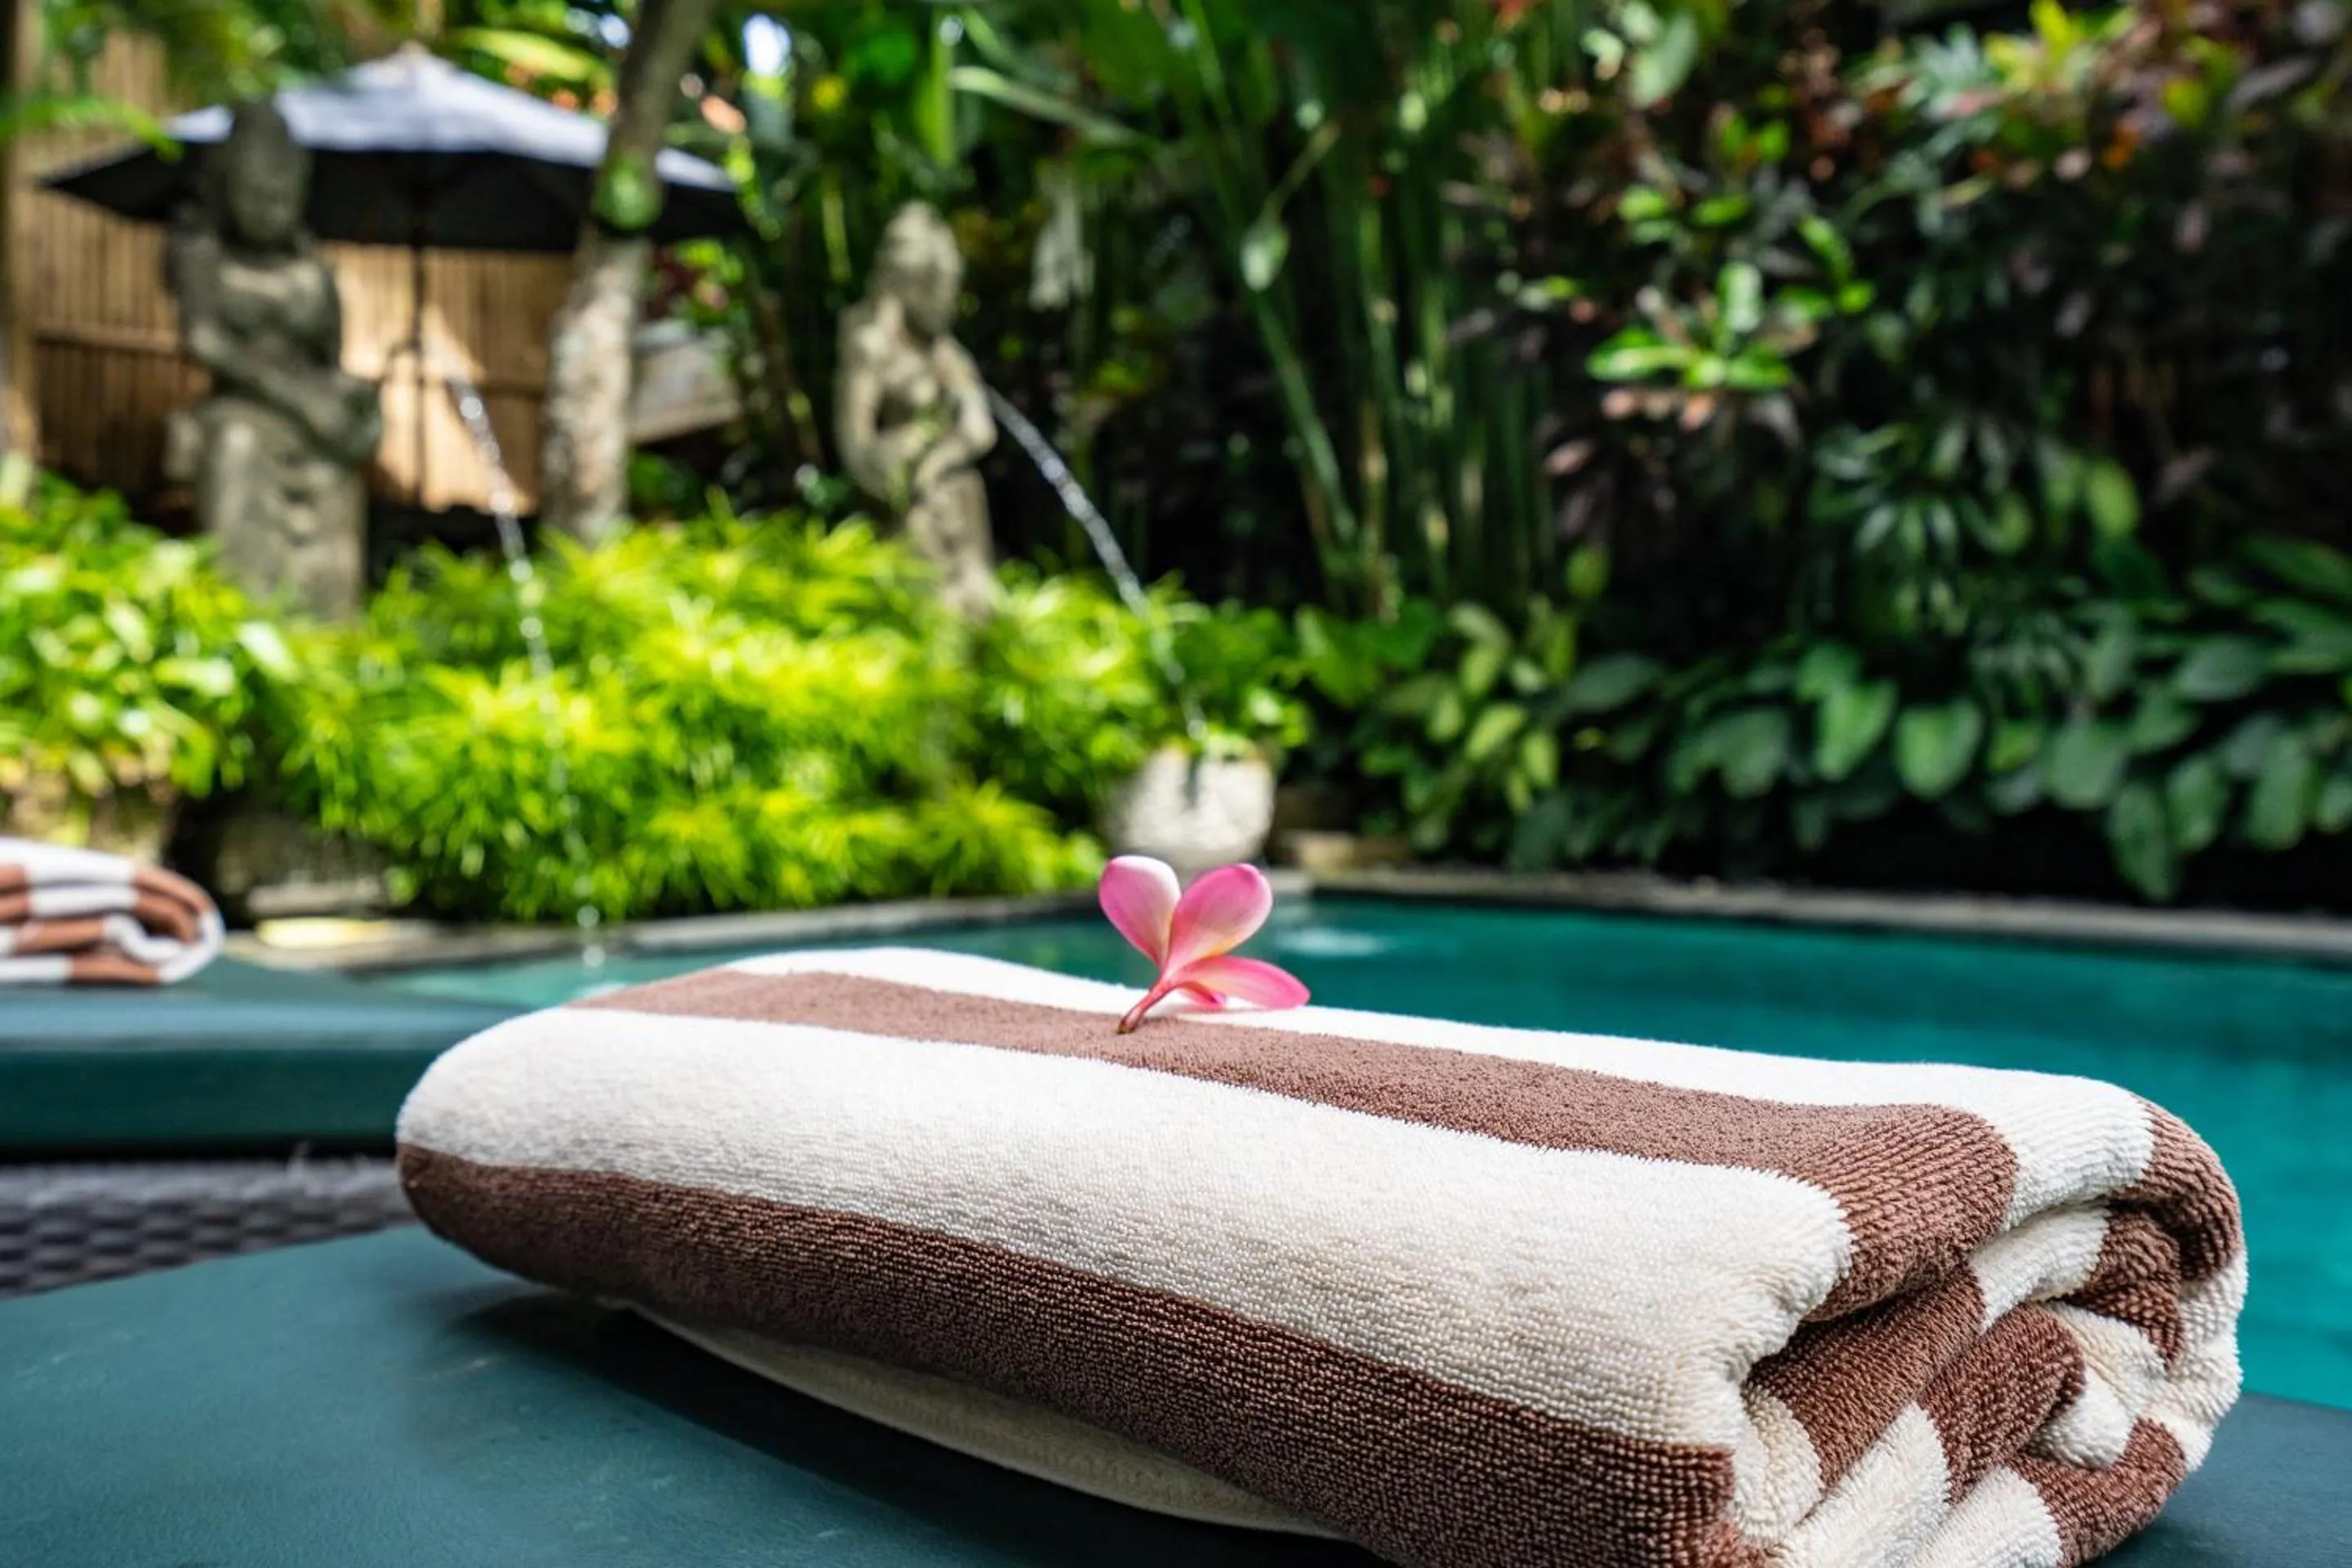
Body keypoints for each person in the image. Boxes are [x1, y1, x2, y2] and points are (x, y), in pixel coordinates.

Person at [165, 99, 381, 619]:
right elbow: (204, 341)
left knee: (337, 480)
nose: (271, 202)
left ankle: (330, 635)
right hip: (241, 411)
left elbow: (330, 357)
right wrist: (299, 401)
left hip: (315, 424)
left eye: (285, 188)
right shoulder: (201, 251)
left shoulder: (314, 271)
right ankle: (245, 624)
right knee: (236, 449)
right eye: (257, 188)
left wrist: (352, 401)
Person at [835, 203, 999, 619]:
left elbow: (981, 429)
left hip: (959, 503)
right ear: (907, 285)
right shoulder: (871, 347)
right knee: (928, 616)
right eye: (937, 288)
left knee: (980, 611)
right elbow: (855, 447)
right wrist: (907, 458)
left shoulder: (947, 354)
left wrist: (941, 457)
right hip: (909, 507)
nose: (947, 302)